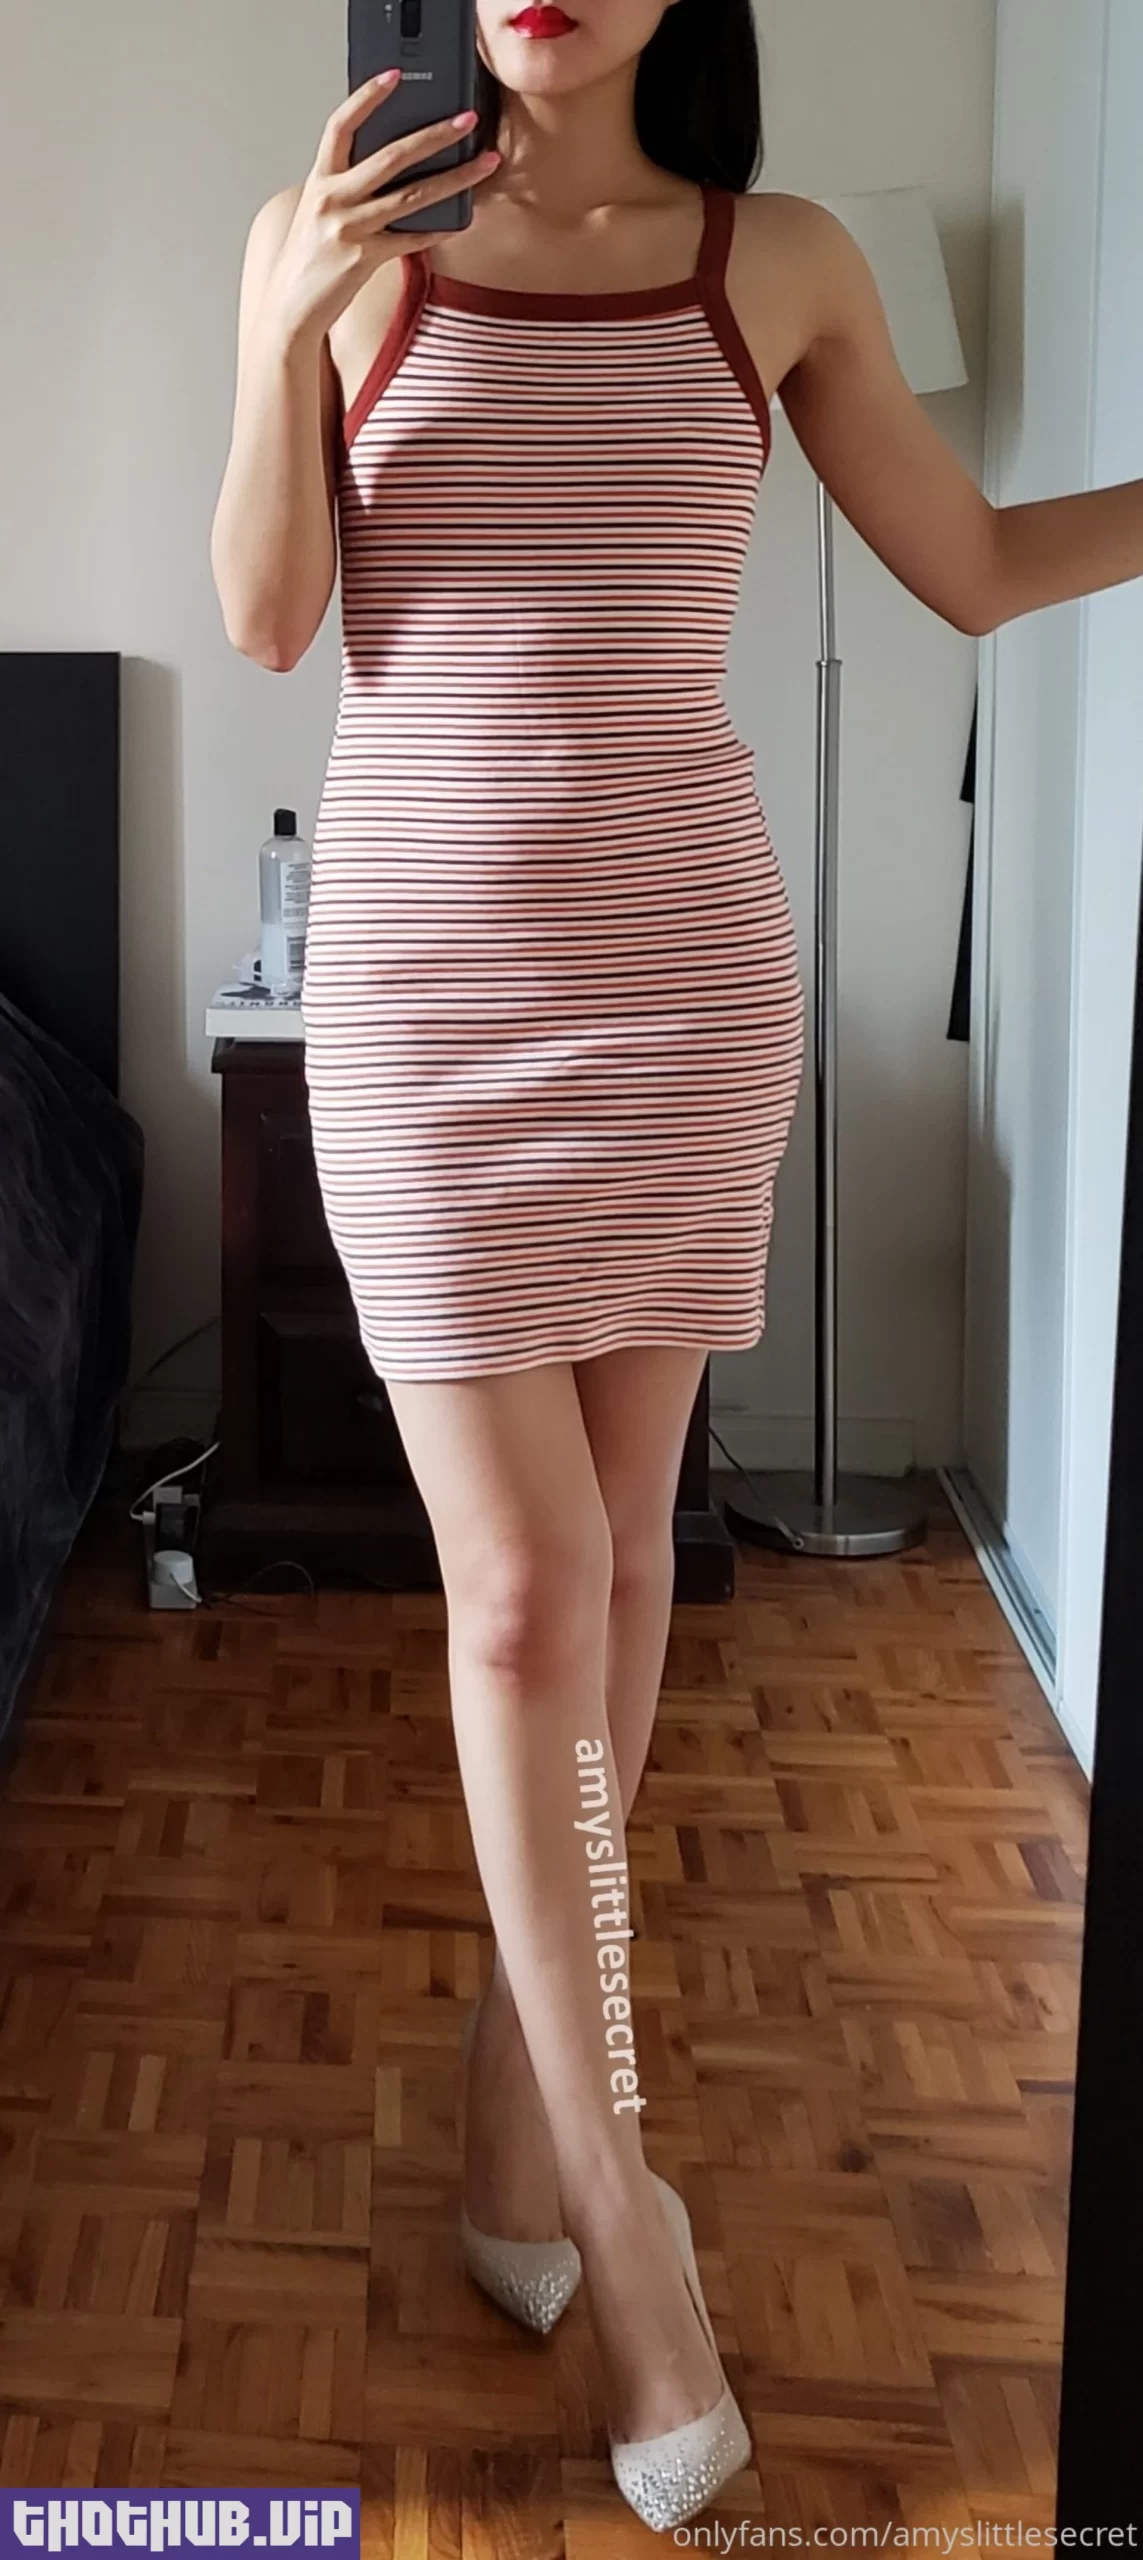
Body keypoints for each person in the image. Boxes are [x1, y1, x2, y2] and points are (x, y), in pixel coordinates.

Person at [210, 0, 1143, 2529]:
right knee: (523, 1591)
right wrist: (284, 332)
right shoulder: (335, 242)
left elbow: (969, 570)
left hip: (682, 988)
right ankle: (632, 2216)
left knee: (624, 1567)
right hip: (422, 1007)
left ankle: (519, 2101)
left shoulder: (781, 261)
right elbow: (272, 617)